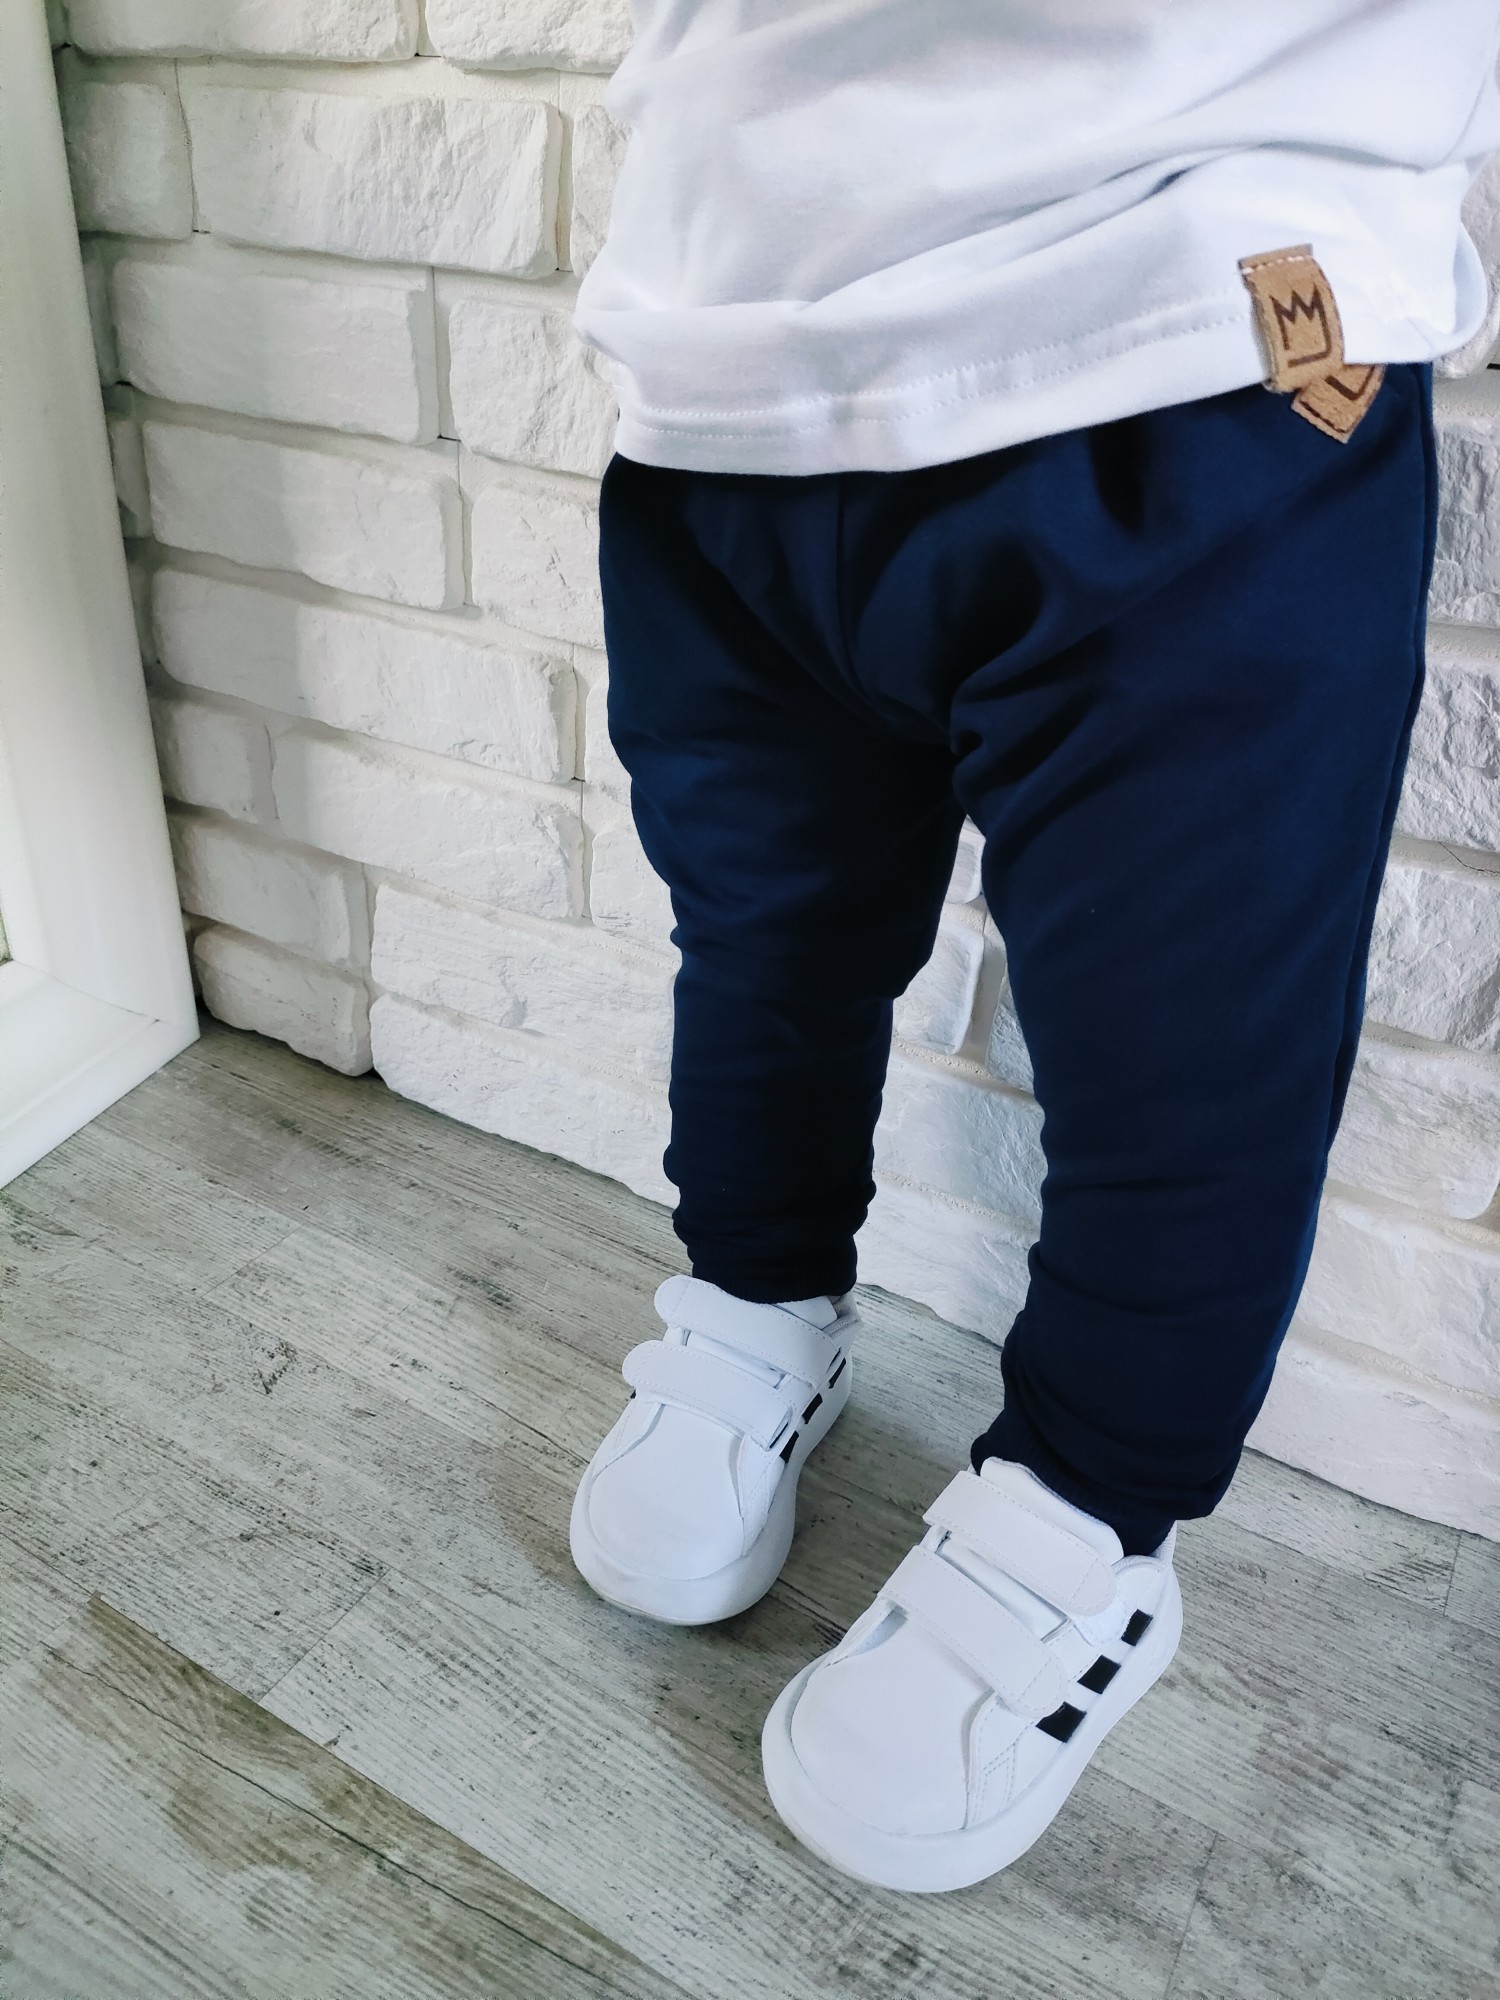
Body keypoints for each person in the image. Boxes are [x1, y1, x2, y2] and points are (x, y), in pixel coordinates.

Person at [564, 2, 1500, 1893]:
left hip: (1210, 326)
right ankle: (756, 1300)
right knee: (760, 939)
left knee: (1184, 1053)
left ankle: (1087, 1513)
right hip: (727, 363)